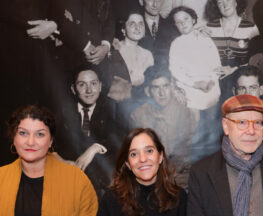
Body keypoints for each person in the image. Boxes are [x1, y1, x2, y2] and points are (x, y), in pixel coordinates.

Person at [54, 64, 115, 198]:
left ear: (100, 86)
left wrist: (94, 148)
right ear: (73, 89)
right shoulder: (61, 109)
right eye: (82, 85)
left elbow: (119, 139)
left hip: (99, 175)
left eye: (93, 84)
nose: (89, 90)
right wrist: (59, 159)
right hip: (66, 172)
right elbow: (50, 140)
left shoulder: (113, 107)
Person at [130, 65, 197, 188]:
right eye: (156, 88)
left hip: (177, 173)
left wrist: (167, 177)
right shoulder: (138, 116)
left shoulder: (183, 112)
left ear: (171, 87)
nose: (162, 93)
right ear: (148, 91)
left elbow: (185, 150)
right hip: (149, 174)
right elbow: (136, 155)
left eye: (165, 86)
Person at [169, 6, 222, 111]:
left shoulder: (206, 40)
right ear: (175, 25)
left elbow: (216, 64)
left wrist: (211, 81)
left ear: (193, 19)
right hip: (189, 89)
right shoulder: (176, 44)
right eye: (178, 22)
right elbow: (175, 70)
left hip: (210, 87)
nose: (183, 23)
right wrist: (195, 84)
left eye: (185, 19)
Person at [102, 10, 154, 103]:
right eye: (132, 24)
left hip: (142, 103)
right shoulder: (114, 50)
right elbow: (111, 88)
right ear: (123, 29)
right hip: (119, 104)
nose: (138, 28)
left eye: (141, 24)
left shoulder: (147, 54)